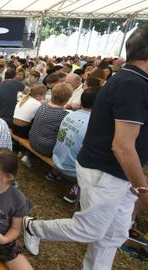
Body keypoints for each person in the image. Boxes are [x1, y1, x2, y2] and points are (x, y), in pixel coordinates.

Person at [23, 24, 148, 270]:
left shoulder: (129, 79)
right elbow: (122, 146)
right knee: (90, 228)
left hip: (115, 171)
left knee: (114, 234)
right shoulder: (132, 84)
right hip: (106, 170)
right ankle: (33, 227)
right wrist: (142, 188)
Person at [46, 88, 100, 203]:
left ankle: (54, 173)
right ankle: (75, 188)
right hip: (73, 170)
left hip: (56, 159)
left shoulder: (70, 115)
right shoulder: (94, 123)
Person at [28, 82, 72, 157]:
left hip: (32, 140)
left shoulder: (43, 106)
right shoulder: (64, 115)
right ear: (67, 99)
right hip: (46, 148)